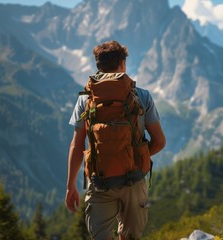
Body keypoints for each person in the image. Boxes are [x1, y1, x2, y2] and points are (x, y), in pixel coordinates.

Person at [65, 40, 166, 240]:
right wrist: (134, 156)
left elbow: (77, 146)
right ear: (122, 63)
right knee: (131, 237)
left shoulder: (86, 99)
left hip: (99, 180)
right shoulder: (142, 96)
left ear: (98, 65)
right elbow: (160, 141)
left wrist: (70, 187)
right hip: (134, 180)